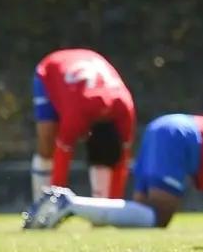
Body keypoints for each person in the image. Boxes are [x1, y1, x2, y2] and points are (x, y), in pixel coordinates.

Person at [24, 92, 203, 231]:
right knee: (158, 217)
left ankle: (66, 204)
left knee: (141, 217)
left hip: (170, 129)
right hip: (183, 138)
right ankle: (68, 203)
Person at [31, 48, 135, 202]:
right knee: (48, 147)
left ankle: (102, 203)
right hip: (51, 69)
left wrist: (114, 205)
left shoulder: (126, 110)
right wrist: (53, 204)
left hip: (87, 68)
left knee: (105, 156)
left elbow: (122, 161)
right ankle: (39, 203)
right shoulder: (76, 117)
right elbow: (61, 161)